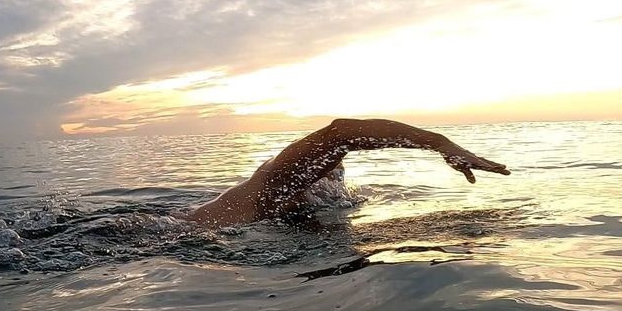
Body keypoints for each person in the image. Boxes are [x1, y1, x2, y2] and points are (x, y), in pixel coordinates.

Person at [183, 118, 510, 227]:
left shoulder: (290, 200)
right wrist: (440, 144)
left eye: (338, 175)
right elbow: (341, 132)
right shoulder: (277, 181)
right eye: (330, 170)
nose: (335, 179)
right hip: (175, 235)